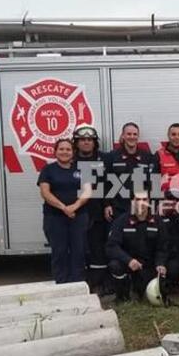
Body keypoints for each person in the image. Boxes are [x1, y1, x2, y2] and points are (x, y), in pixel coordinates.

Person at [37, 139, 92, 284]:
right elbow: (45, 192)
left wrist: (74, 206)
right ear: (55, 152)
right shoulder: (48, 170)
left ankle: (78, 284)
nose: (64, 152)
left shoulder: (81, 169)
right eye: (61, 149)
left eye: (68, 149)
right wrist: (64, 208)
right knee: (59, 252)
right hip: (54, 218)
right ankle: (61, 284)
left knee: (79, 252)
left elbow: (88, 191)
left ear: (73, 152)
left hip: (78, 217)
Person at [106, 191, 168, 302]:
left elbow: (163, 247)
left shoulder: (158, 221)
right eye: (138, 199)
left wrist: (160, 263)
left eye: (144, 200)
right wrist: (128, 260)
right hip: (129, 265)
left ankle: (140, 290)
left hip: (149, 265)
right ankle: (123, 295)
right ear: (132, 202)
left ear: (149, 202)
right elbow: (111, 246)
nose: (141, 203)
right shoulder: (121, 221)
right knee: (115, 265)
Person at [73, 125, 111, 297]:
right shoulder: (70, 161)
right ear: (77, 142)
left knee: (98, 250)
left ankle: (98, 284)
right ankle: (79, 283)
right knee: (79, 249)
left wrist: (107, 205)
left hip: (98, 213)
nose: (86, 142)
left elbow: (111, 184)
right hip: (76, 212)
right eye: (82, 140)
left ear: (95, 143)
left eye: (90, 139)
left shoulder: (104, 160)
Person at [105, 122, 155, 221]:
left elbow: (152, 183)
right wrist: (107, 205)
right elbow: (106, 183)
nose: (132, 137)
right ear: (123, 135)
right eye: (128, 134)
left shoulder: (147, 157)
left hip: (141, 208)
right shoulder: (112, 156)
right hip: (118, 208)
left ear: (138, 136)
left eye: (134, 134)